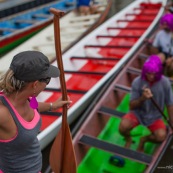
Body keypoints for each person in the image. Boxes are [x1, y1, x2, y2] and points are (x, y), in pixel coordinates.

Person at [0, 51, 72, 173]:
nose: (46, 84)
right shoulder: (3, 113)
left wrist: (52, 106)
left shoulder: (27, 98)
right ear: (35, 84)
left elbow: (34, 106)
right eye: (47, 80)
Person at [119, 55, 173, 152]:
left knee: (161, 136)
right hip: (138, 114)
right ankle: (128, 139)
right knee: (123, 127)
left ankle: (143, 140)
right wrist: (142, 98)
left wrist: (172, 122)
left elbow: (169, 104)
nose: (151, 77)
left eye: (154, 74)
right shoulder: (137, 82)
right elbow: (131, 106)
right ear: (144, 72)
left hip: (155, 117)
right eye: (148, 74)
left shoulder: (165, 83)